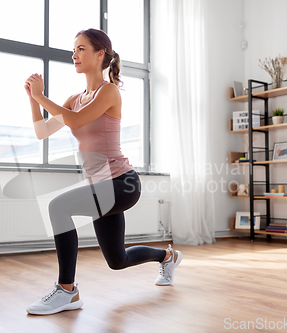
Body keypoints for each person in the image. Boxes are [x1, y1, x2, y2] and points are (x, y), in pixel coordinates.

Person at [24, 28, 182, 316]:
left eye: (81, 49)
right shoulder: (75, 98)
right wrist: (34, 100)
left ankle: (67, 290)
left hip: (122, 183)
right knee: (117, 260)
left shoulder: (108, 91)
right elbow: (42, 131)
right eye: (74, 49)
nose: (74, 55)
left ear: (100, 54)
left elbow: (75, 121)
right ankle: (168, 256)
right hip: (101, 187)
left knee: (58, 207)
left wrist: (42, 95)